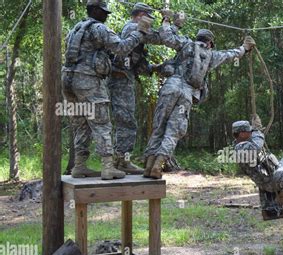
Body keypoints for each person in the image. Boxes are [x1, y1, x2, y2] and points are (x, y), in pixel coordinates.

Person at [142, 19, 257, 179]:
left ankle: (148, 166)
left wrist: (167, 22)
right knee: (173, 132)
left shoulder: (186, 43)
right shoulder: (211, 55)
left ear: (198, 38)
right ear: (210, 43)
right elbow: (231, 54)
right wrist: (245, 48)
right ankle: (157, 165)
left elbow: (167, 37)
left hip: (171, 86)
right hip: (188, 94)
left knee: (159, 126)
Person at [62, 0, 152, 180]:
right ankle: (108, 167)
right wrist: (140, 32)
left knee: (81, 123)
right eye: (104, 11)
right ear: (94, 10)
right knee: (102, 123)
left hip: (67, 81)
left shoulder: (75, 29)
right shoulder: (98, 29)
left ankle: (79, 166)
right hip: (88, 81)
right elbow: (121, 48)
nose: (107, 15)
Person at [108, 3, 185, 174]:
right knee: (127, 122)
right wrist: (171, 23)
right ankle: (121, 161)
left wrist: (156, 68)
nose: (151, 21)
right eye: (149, 16)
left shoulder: (134, 30)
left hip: (123, 78)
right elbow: (162, 38)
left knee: (126, 121)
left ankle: (122, 160)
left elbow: (140, 64)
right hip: (120, 79)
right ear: (141, 15)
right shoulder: (134, 27)